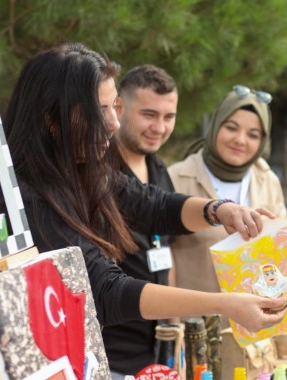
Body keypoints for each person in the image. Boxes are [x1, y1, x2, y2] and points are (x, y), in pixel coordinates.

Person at [0, 44, 287, 358]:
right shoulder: (22, 200)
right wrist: (224, 304)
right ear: (52, 120)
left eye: (114, 107)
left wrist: (220, 210)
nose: (113, 123)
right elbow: (101, 289)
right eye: (99, 111)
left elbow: (153, 205)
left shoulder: (85, 170)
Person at [168, 85, 287, 317]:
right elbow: (163, 263)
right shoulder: (176, 178)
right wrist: (172, 328)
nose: (240, 140)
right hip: (196, 328)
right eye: (231, 128)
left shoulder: (268, 180)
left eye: (253, 134)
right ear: (214, 127)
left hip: (255, 329)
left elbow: (282, 252)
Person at [100, 64, 178, 377]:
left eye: (168, 117)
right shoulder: (97, 173)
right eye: (149, 114)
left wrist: (174, 323)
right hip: (111, 355)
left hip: (159, 352)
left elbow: (169, 254)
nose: (159, 127)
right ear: (118, 107)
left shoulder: (160, 172)